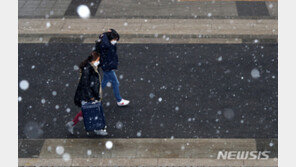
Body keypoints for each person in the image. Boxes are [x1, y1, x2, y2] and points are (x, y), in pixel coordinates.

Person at [66, 51, 107, 136]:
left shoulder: (92, 66)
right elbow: (85, 85)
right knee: (92, 111)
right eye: (98, 60)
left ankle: (72, 124)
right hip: (88, 95)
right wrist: (91, 96)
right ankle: (98, 128)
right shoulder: (88, 69)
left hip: (91, 94)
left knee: (87, 111)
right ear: (94, 60)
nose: (99, 61)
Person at [97, 29, 130, 106]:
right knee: (115, 82)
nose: (115, 41)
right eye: (115, 39)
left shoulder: (107, 43)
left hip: (106, 66)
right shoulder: (106, 45)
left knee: (104, 82)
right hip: (107, 67)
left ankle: (96, 96)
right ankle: (119, 100)